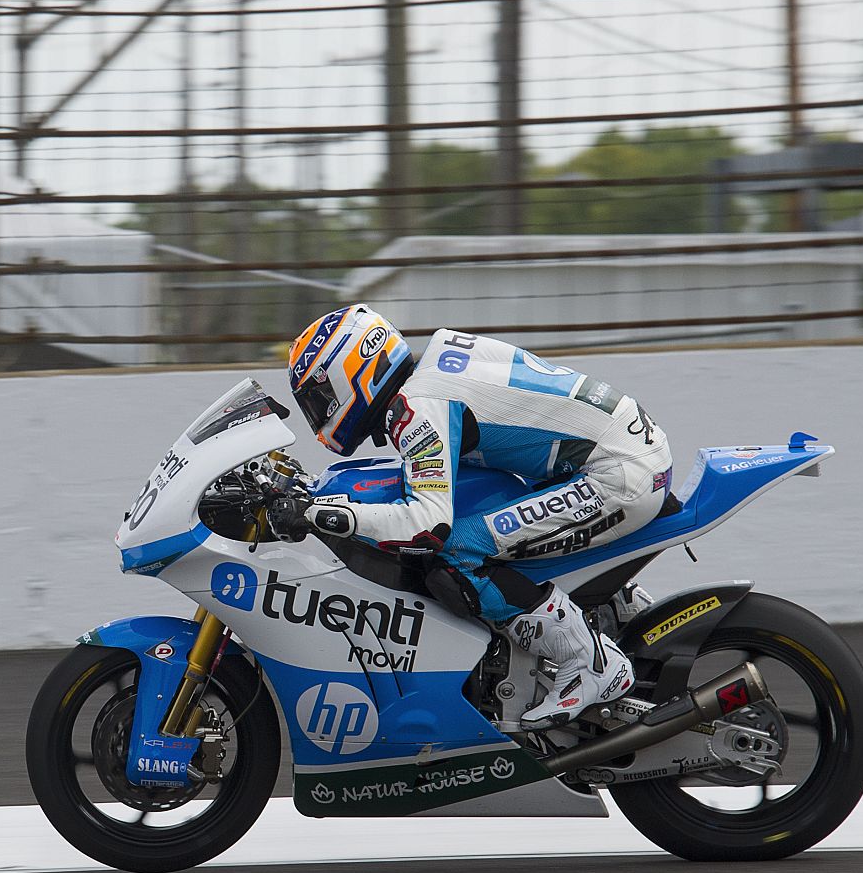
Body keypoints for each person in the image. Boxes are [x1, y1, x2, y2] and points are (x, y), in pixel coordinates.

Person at [279, 303, 673, 730]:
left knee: (457, 549)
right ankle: (612, 606)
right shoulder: (438, 358)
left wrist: (318, 515)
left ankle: (589, 661)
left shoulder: (418, 407)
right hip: (620, 450)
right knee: (486, 517)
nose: (321, 410)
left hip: (616, 476)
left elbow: (426, 525)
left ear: (353, 370)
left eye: (321, 396)